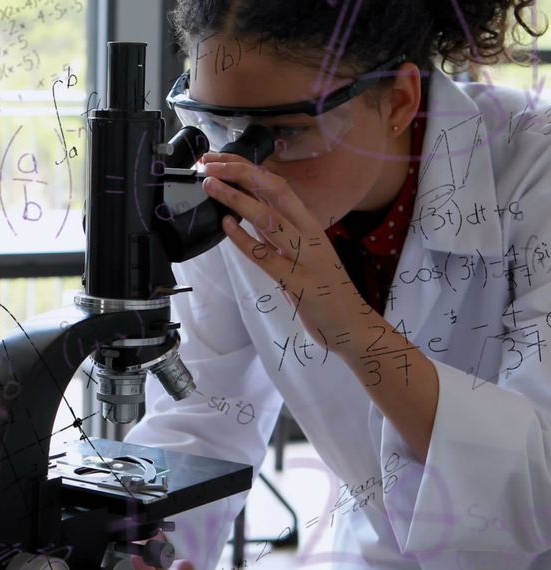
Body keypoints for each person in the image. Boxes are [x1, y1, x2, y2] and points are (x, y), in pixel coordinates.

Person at [124, 1, 551, 568]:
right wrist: (150, 547)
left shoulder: (533, 166)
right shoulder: (225, 192)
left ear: (399, 99)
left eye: (288, 132)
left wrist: (353, 330)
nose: (243, 170)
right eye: (217, 124)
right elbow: (205, 418)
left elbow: (541, 476)